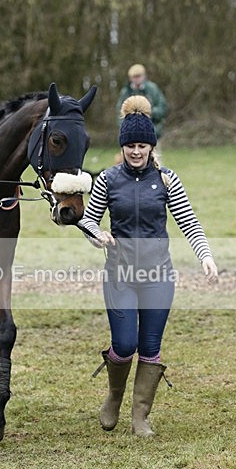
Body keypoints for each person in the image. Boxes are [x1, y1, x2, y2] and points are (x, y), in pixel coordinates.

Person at [79, 96, 218, 437]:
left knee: (151, 347)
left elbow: (188, 221)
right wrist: (98, 234)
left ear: (151, 146)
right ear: (122, 146)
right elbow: (87, 221)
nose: (137, 152)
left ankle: (140, 415)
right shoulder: (108, 180)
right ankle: (114, 396)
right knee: (125, 345)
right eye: (130, 146)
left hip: (158, 275)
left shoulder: (168, 179)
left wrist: (205, 255)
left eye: (142, 145)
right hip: (120, 275)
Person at [116, 63, 167, 138]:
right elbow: (119, 112)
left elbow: (162, 108)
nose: (136, 79)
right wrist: (124, 128)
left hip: (153, 133)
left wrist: (147, 112)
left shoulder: (153, 89)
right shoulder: (126, 92)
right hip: (130, 134)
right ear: (130, 78)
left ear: (144, 76)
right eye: (134, 77)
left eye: (138, 76)